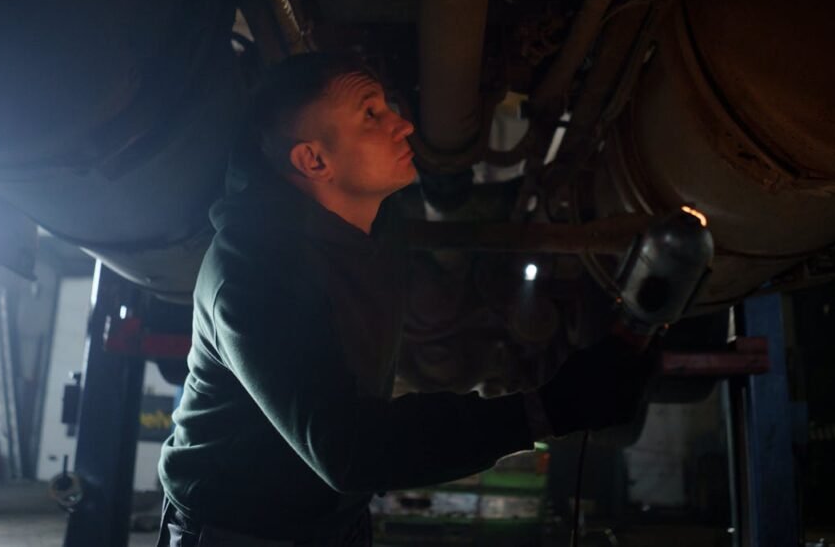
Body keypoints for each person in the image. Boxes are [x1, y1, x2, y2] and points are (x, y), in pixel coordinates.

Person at [157, 53, 655, 547]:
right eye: (371, 114)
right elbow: (349, 450)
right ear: (313, 160)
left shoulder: (378, 226)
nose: (403, 124)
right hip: (237, 531)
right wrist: (544, 411)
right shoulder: (256, 272)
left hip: (330, 519)